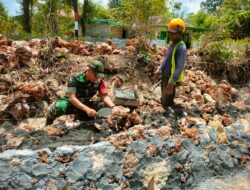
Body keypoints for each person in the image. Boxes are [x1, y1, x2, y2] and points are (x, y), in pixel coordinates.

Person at [45, 60, 115, 126]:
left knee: (102, 105)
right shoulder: (74, 78)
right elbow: (71, 98)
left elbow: (105, 96)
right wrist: (87, 109)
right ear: (89, 71)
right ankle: (47, 125)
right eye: (96, 75)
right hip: (71, 103)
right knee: (57, 107)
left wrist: (114, 107)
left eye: (99, 76)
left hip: (86, 103)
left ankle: (93, 123)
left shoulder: (100, 82)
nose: (97, 78)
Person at [155, 18, 187, 110]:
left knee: (167, 102)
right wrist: (160, 69)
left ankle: (168, 119)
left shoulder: (181, 47)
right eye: (169, 32)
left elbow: (179, 67)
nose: (170, 35)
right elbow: (166, 59)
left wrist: (172, 83)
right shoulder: (172, 44)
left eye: (173, 33)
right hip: (165, 76)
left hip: (170, 78)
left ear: (180, 33)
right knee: (164, 98)